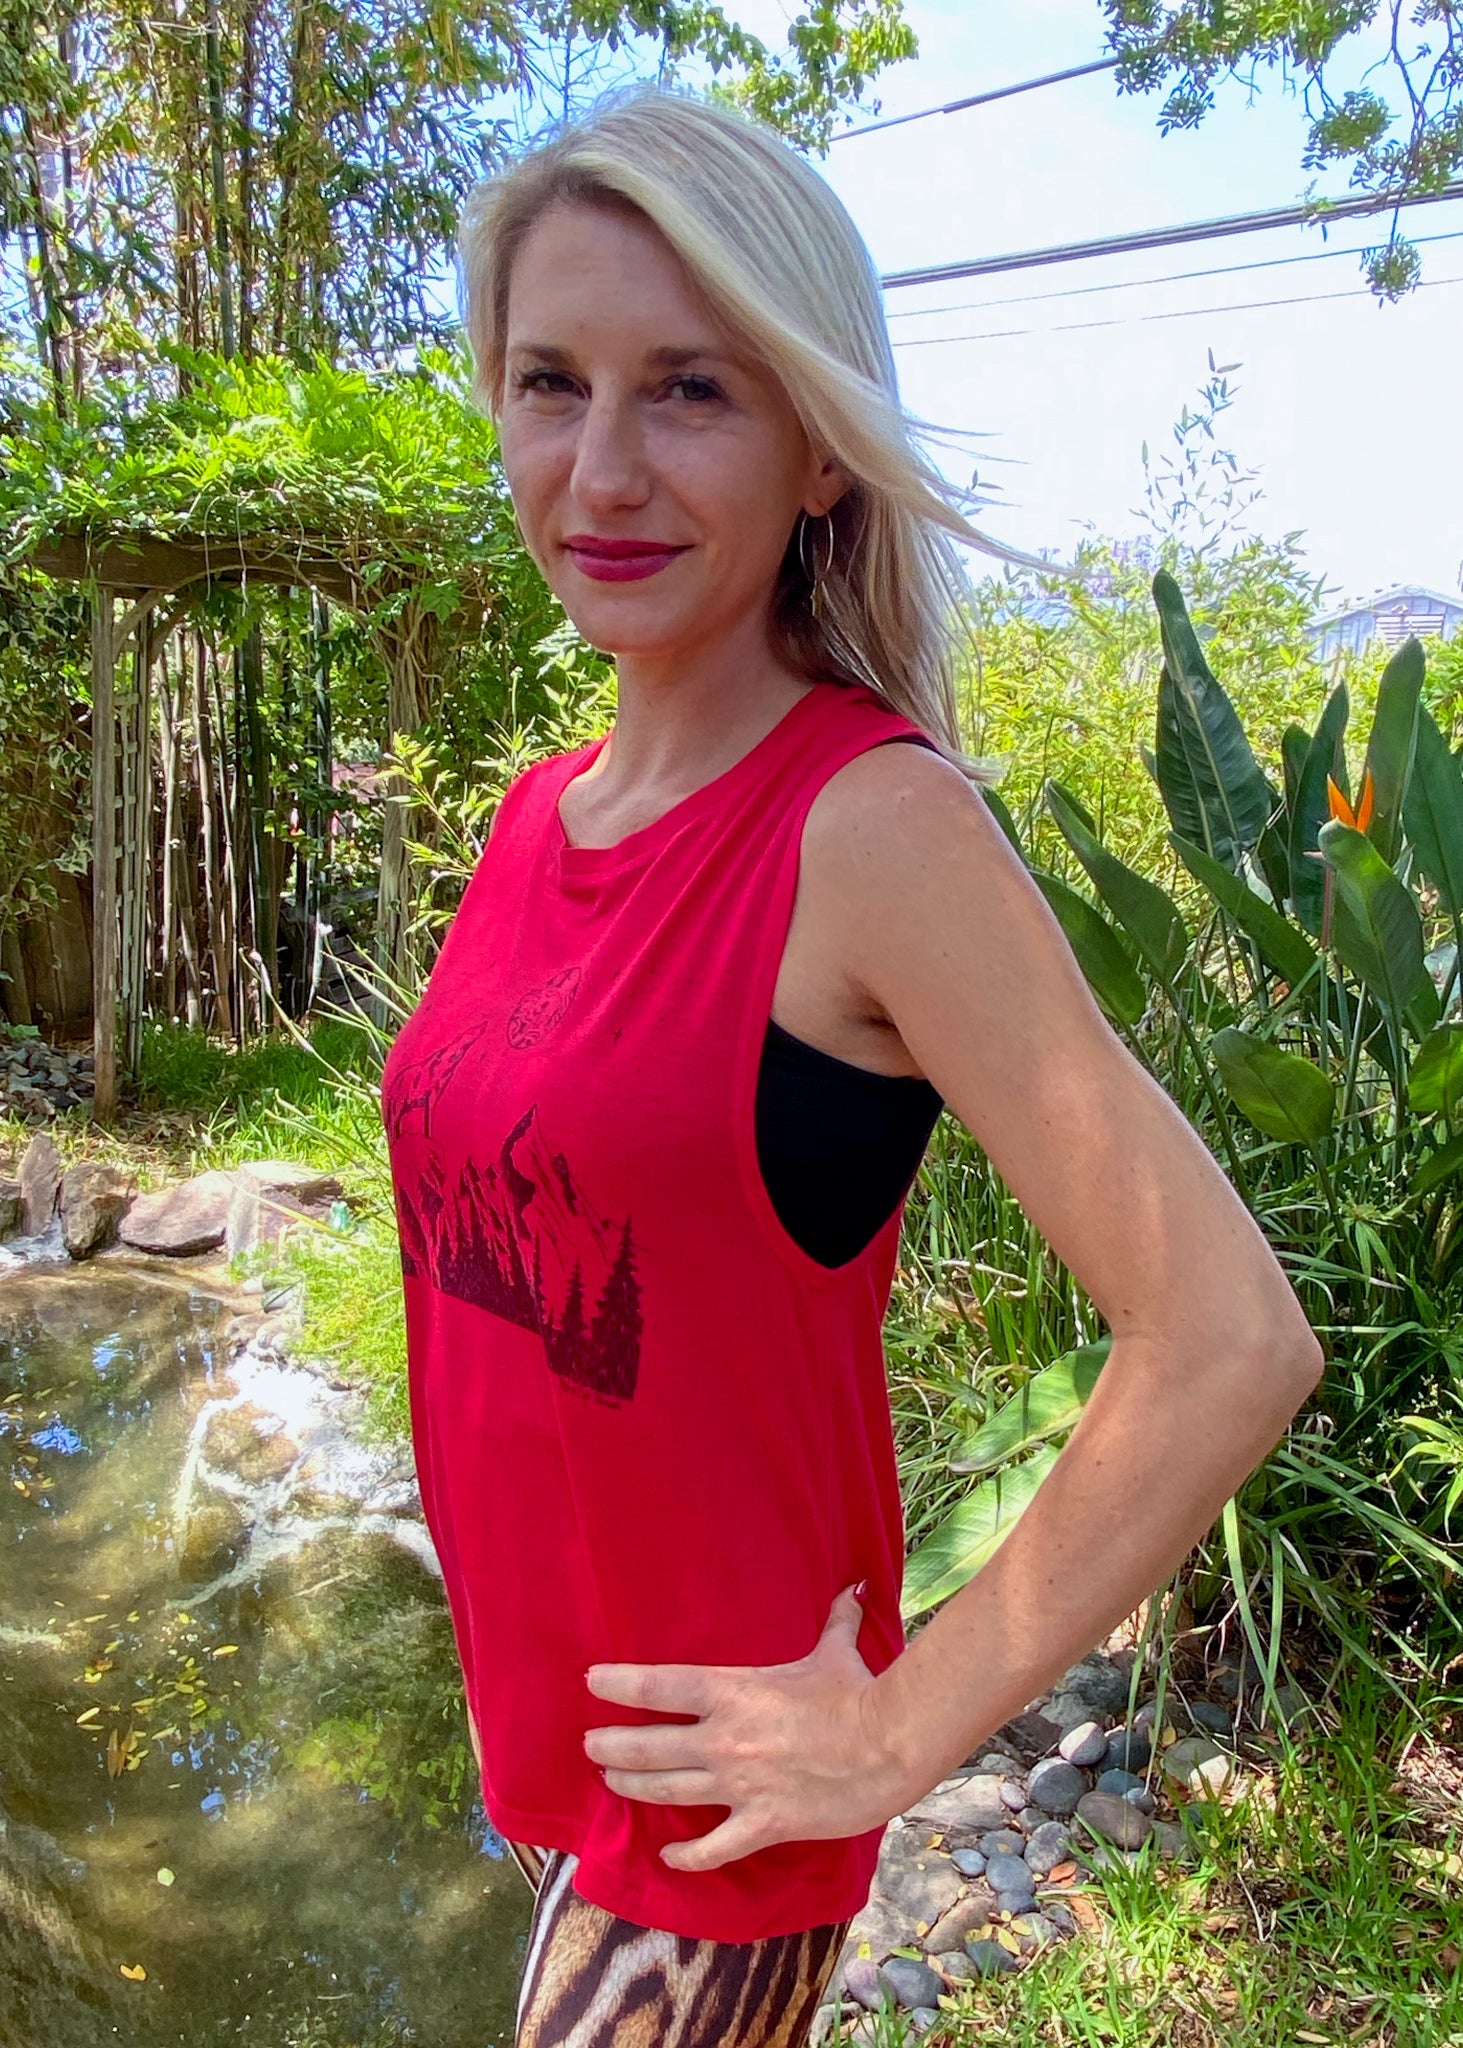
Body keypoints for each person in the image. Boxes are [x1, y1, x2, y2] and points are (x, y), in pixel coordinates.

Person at [379, 83, 1323, 2047]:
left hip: (721, 1820)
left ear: (820, 446)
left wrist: (897, 1726)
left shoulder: (871, 830)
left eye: (691, 390)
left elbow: (1231, 1338)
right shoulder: (540, 814)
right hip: (559, 1756)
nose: (603, 468)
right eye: (552, 383)